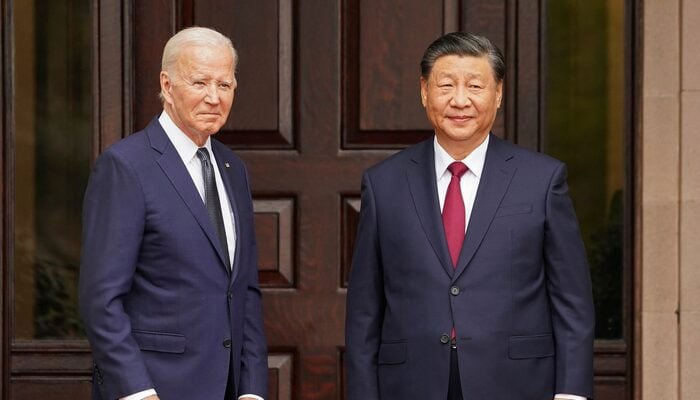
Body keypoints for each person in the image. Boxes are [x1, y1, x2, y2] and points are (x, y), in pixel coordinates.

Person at [345, 32, 595, 400]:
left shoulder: (542, 180)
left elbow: (572, 299)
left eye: (475, 86)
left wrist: (571, 391)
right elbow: (365, 308)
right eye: (445, 85)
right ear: (424, 92)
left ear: (498, 94)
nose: (459, 100)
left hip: (518, 383)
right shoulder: (384, 184)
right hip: (411, 384)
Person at [79, 27, 268, 400]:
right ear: (167, 86)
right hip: (155, 388)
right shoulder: (125, 166)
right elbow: (100, 299)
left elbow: (243, 290)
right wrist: (137, 391)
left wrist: (252, 389)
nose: (214, 98)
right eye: (199, 82)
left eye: (225, 85)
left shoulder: (233, 168)